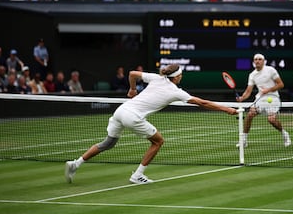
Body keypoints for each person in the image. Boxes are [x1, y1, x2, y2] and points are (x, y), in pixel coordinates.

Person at [64, 64, 237, 184]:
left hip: (120, 111)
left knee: (108, 143)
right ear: (177, 77)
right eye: (180, 75)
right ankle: (138, 175)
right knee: (158, 141)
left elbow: (132, 73)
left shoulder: (155, 78)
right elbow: (203, 103)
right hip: (133, 116)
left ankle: (76, 164)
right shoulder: (175, 91)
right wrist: (226, 109)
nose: (181, 77)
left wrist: (132, 89)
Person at [236, 53, 291, 147]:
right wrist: (242, 98)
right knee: (250, 114)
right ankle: (244, 140)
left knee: (271, 120)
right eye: (256, 59)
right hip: (260, 99)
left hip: (273, 98)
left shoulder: (270, 70)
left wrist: (268, 90)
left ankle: (284, 134)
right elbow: (248, 91)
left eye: (259, 59)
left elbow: (281, 84)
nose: (257, 61)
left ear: (263, 61)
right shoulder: (252, 75)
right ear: (253, 62)